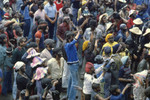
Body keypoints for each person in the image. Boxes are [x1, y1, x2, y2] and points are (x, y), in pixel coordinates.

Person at [64, 30, 81, 100]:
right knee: (75, 82)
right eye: (72, 37)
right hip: (73, 65)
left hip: (74, 64)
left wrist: (78, 32)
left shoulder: (69, 44)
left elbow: (76, 38)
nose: (73, 37)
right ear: (69, 38)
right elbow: (75, 40)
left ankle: (69, 95)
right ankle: (71, 98)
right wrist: (78, 33)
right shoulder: (68, 45)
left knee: (71, 81)